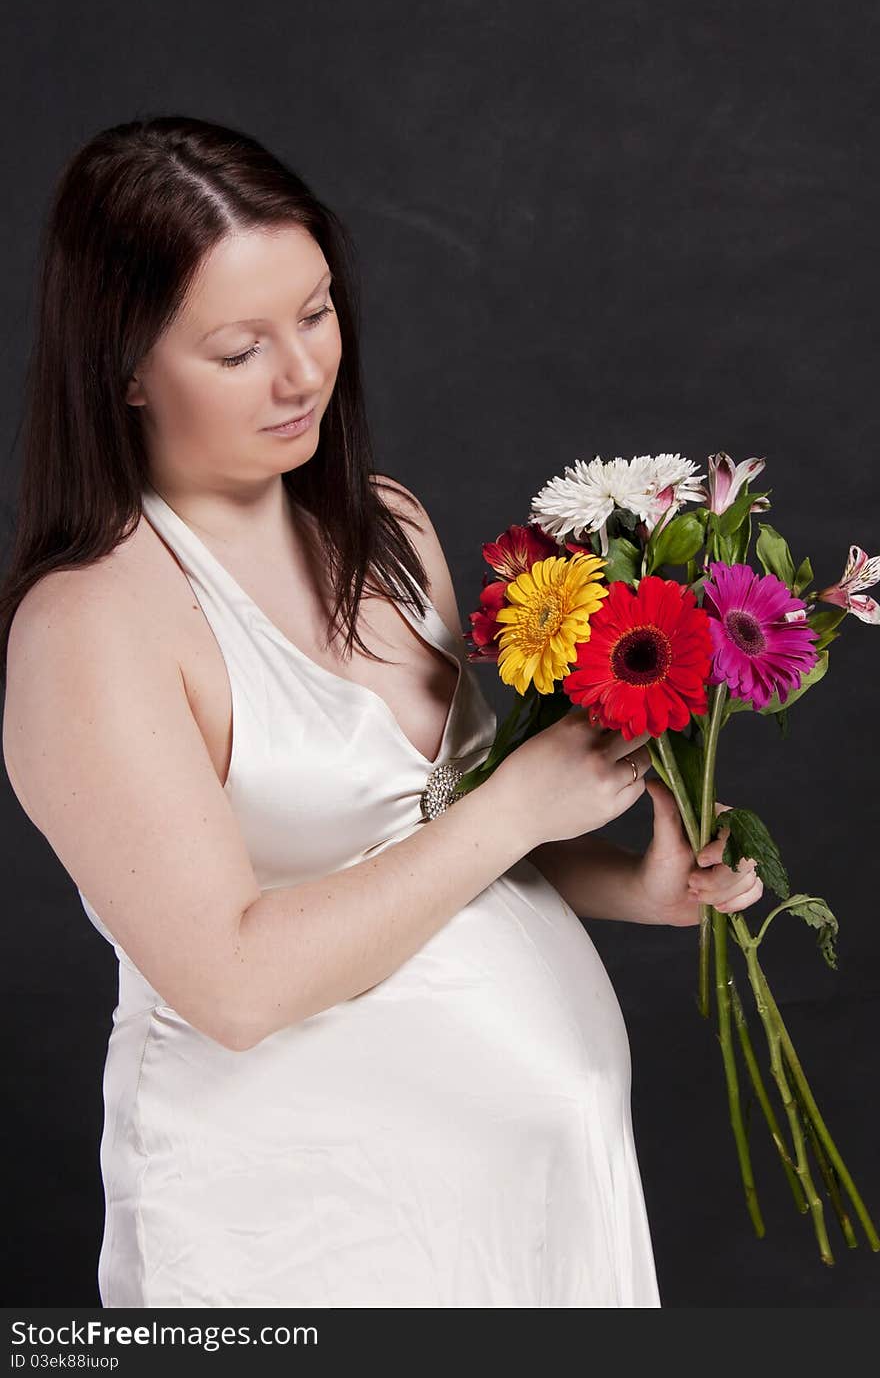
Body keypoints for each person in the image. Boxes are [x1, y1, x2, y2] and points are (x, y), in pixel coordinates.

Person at [0, 116, 762, 1309]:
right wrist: (519, 800)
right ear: (128, 368)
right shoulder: (92, 626)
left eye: (314, 313)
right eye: (240, 347)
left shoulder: (387, 529)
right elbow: (233, 984)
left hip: (533, 1213)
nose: (303, 372)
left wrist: (634, 887)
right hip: (304, 1240)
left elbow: (431, 843)